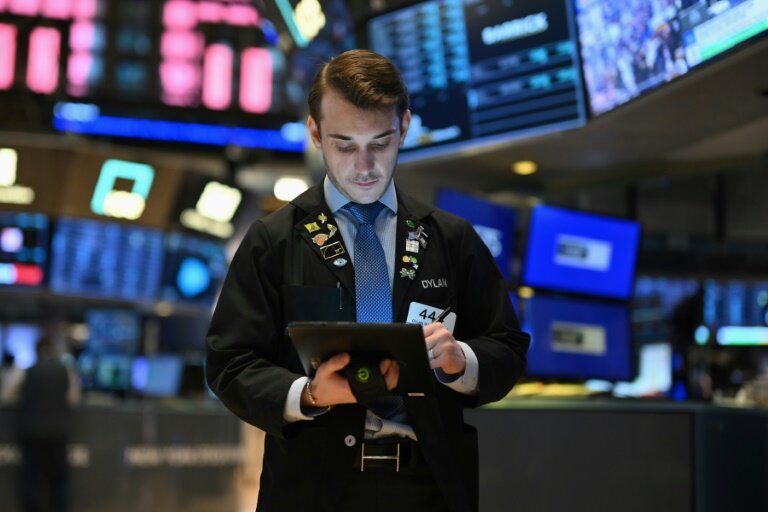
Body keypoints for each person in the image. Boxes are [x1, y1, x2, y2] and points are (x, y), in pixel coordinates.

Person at [206, 49, 529, 512]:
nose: (364, 166)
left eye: (380, 143)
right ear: (315, 133)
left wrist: (463, 361)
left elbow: (507, 345)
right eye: (344, 144)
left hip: (429, 486)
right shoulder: (273, 242)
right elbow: (229, 363)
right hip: (312, 488)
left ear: (405, 127)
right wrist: (310, 393)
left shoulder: (451, 239)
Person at [18, 336, 79, 512]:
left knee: (31, 479)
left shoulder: (27, 370)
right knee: (59, 479)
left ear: (36, 350)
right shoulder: (65, 371)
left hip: (32, 430)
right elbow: (73, 398)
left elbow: (9, 394)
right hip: (57, 431)